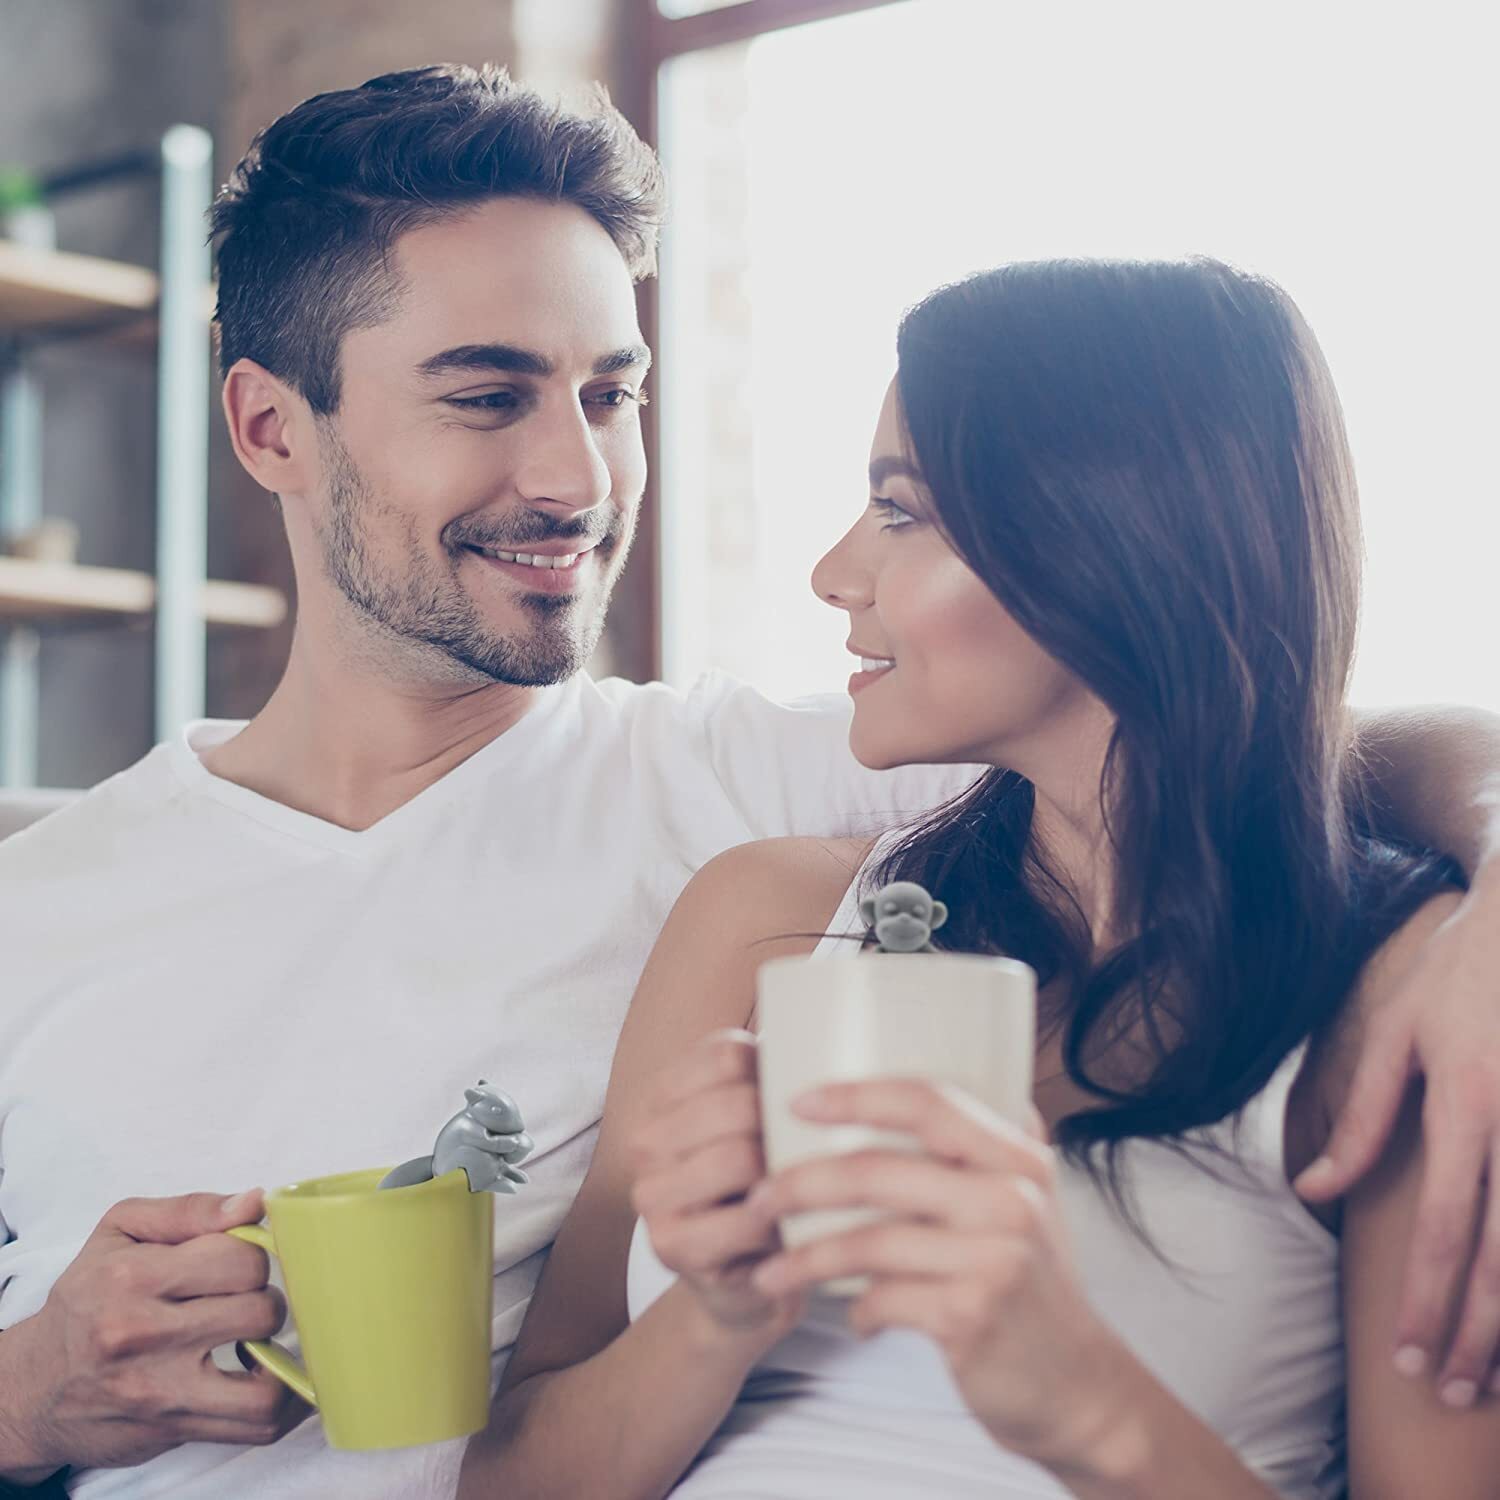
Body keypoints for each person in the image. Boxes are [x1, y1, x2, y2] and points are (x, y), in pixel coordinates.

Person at [0, 66, 1496, 1500]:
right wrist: (33, 1387)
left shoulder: (773, 786)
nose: (580, 479)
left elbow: (1220, 720)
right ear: (270, 426)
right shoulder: (38, 903)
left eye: (611, 392)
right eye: (486, 396)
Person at [457, 259, 1500, 1499]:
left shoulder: (1412, 1001)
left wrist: (1076, 1396)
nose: (834, 572)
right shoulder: (768, 925)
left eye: (901, 512)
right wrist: (719, 1315)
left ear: (1107, 543)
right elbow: (509, 1480)